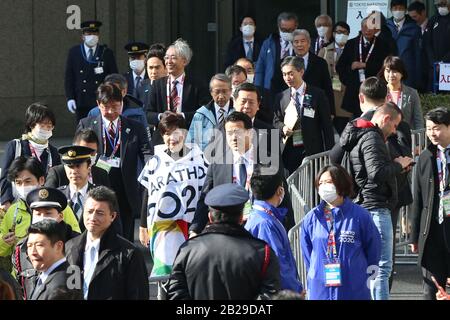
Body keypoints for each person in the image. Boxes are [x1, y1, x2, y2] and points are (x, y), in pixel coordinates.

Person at [339, 103, 413, 300]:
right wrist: (399, 164)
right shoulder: (372, 137)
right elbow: (377, 173)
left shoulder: (362, 134)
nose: (395, 131)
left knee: (368, 265)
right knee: (382, 266)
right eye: (395, 125)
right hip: (376, 206)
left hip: (364, 204)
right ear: (386, 119)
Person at [167, 183, 280, 300]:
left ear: (210, 217)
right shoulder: (263, 252)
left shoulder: (187, 250)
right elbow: (270, 295)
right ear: (241, 218)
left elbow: (175, 294)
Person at [190, 112, 294, 236]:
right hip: (229, 229)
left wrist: (288, 230)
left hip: (261, 228)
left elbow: (283, 196)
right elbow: (205, 197)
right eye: (229, 133)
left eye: (238, 132)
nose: (233, 137)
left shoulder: (269, 160)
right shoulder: (218, 163)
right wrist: (195, 229)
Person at [77, 83, 153, 242]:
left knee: (125, 234)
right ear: (98, 104)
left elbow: (147, 152)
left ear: (122, 103)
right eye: (106, 107)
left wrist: (151, 169)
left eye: (115, 106)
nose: (111, 111)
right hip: (97, 183)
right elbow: (78, 153)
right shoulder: (87, 124)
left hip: (125, 187)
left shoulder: (134, 127)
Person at [138, 112, 208, 278]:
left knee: (192, 273)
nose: (172, 138)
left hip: (193, 226)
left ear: (184, 133)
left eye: (176, 132)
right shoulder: (155, 162)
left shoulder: (200, 159)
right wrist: (142, 225)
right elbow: (148, 192)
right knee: (166, 277)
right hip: (163, 227)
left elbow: (206, 193)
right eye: (167, 134)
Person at [301, 164, 381, 300]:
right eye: (320, 183)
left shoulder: (360, 216)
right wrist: (316, 271)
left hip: (354, 289)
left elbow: (373, 251)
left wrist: (359, 274)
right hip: (320, 289)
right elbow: (308, 254)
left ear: (341, 183)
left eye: (329, 182)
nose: (324, 186)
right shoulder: (312, 218)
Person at [65, 186, 149, 300]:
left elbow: (138, 295)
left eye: (99, 213)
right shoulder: (70, 247)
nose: (92, 218)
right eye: (89, 212)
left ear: (112, 216)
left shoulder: (129, 254)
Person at [0, 158, 80, 274]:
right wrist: (4, 242)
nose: (23, 187)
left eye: (28, 181)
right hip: (22, 278)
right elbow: (3, 251)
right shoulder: (13, 211)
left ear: (41, 180)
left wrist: (58, 229)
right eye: (18, 182)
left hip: (57, 273)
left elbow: (76, 241)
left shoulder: (60, 207)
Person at [410, 107, 450, 300]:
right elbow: (418, 199)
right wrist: (414, 236)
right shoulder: (425, 157)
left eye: (437, 128)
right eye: (428, 129)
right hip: (432, 228)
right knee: (431, 288)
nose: (432, 133)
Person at [13, 187, 81, 300]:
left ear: (60, 217)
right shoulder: (23, 247)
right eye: (38, 214)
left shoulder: (76, 244)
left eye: (48, 213)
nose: (43, 218)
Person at [273, 56, 334, 174]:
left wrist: (329, 152)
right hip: (290, 150)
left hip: (312, 149)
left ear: (301, 72)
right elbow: (275, 121)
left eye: (291, 74)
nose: (287, 78)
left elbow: (326, 125)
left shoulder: (317, 94)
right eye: (284, 74)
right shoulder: (281, 97)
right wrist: (283, 128)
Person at [245, 171, 303, 294]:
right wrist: (295, 290)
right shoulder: (265, 223)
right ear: (279, 190)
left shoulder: (264, 217)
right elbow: (278, 263)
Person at [146, 38, 209, 146]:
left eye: (173, 58)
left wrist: (182, 116)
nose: (168, 61)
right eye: (166, 58)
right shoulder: (157, 84)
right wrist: (161, 116)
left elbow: (205, 112)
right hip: (162, 140)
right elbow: (147, 113)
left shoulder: (197, 85)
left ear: (184, 61)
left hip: (189, 138)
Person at [0, 103, 60, 211]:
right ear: (32, 125)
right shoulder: (15, 146)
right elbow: (5, 177)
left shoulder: (53, 152)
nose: (46, 129)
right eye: (42, 125)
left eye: (49, 126)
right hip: (15, 202)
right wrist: (5, 201)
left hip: (42, 204)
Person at [336, 17, 391, 117]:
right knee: (356, 119)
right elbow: (340, 66)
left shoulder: (382, 45)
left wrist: (365, 65)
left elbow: (384, 65)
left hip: (374, 87)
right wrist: (350, 72)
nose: (367, 30)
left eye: (370, 27)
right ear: (361, 28)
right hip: (354, 88)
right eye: (365, 27)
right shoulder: (351, 44)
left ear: (375, 29)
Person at [64, 21, 118, 121]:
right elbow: (69, 77)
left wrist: (111, 97)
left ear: (98, 35)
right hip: (81, 100)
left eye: (94, 33)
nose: (92, 36)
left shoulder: (106, 52)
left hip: (101, 100)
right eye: (88, 34)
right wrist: (70, 98)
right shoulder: (74, 52)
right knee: (84, 131)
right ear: (83, 36)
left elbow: (113, 77)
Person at [27, 220, 83, 300]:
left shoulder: (62, 286)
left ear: (58, 246)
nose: (33, 252)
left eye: (39, 245)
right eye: (29, 246)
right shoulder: (45, 275)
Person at [45, 129, 110, 188]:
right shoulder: (57, 173)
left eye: (92, 152)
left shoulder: (102, 174)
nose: (88, 156)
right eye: (84, 152)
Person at [318, 21, 353, 134]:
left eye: (344, 32)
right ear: (333, 34)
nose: (341, 34)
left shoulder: (354, 50)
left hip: (345, 96)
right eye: (338, 32)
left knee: (344, 131)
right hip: (328, 95)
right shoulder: (325, 50)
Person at [292, 29, 335, 116]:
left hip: (314, 106)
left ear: (309, 43)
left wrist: (331, 111)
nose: (299, 44)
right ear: (292, 44)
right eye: (296, 42)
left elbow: (327, 88)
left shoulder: (320, 63)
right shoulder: (285, 63)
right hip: (292, 105)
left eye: (302, 41)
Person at [254, 12, 298, 96]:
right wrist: (258, 91)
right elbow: (260, 69)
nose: (287, 33)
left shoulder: (301, 43)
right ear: (279, 27)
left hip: (294, 87)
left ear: (296, 27)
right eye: (284, 30)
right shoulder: (269, 44)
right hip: (272, 89)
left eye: (290, 30)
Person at [187, 74, 234, 151]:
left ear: (231, 91)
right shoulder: (201, 115)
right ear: (211, 92)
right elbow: (191, 143)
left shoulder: (237, 113)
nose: (221, 96)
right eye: (217, 92)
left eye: (224, 91)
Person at [378, 55, 424, 129]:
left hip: (406, 137)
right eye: (388, 71)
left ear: (402, 73)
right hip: (385, 137)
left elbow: (418, 120)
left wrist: (420, 138)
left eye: (395, 71)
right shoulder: (379, 92)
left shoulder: (412, 93)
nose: (391, 75)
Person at [386, 0, 422, 89]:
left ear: (405, 10)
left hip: (408, 72)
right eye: (395, 8)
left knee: (406, 99)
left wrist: (418, 78)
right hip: (390, 70)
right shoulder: (385, 26)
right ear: (391, 10)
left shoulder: (414, 27)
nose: (398, 11)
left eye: (401, 8)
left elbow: (418, 54)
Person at [423, 0, 450, 92]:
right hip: (434, 66)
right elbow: (427, 43)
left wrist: (443, 62)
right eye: (438, 5)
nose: (441, 7)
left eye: (443, 4)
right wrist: (434, 62)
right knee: (433, 94)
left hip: (448, 65)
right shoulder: (433, 20)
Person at [137, 44, 168, 121]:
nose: (153, 72)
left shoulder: (171, 87)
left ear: (166, 68)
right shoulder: (141, 86)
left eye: (157, 67)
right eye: (150, 68)